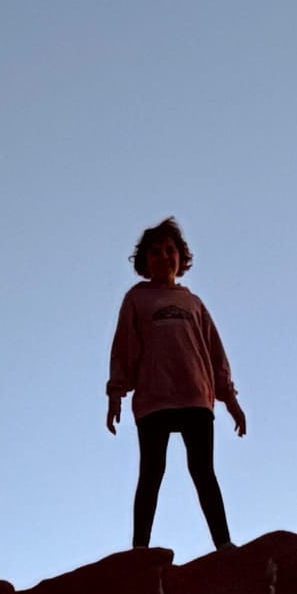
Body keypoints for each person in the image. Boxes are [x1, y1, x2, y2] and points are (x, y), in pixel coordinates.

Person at [105, 216, 246, 551]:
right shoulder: (137, 299)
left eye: (170, 250)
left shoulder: (193, 304)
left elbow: (215, 352)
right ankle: (139, 550)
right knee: (151, 472)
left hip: (195, 395)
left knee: (203, 471)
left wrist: (230, 399)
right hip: (154, 398)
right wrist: (115, 394)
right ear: (144, 261)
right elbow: (124, 347)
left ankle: (224, 545)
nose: (163, 257)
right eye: (155, 252)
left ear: (181, 258)